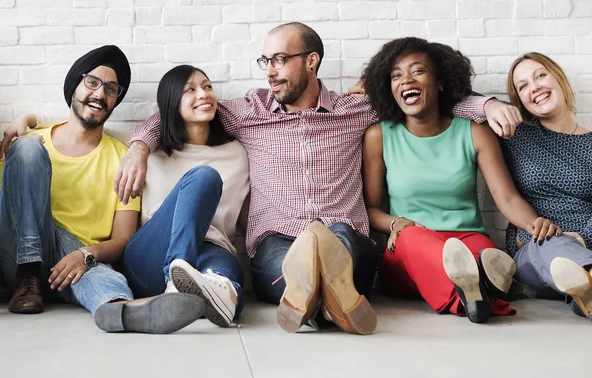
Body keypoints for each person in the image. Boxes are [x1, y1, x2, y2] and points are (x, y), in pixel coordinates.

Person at [114, 23, 517, 333]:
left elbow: (423, 100)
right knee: (300, 254)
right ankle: (332, 303)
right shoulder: (249, 112)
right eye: (266, 61)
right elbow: (177, 112)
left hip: (348, 239)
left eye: (280, 60)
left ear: (311, 61)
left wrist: (486, 103)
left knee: (338, 234)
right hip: (277, 242)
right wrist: (138, 147)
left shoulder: (355, 110)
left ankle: (310, 299)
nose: (271, 72)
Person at [0, 45, 204, 334]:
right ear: (74, 87)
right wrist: (28, 121)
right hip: (16, 258)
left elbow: (123, 239)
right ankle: (28, 274)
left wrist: (84, 255)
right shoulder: (30, 142)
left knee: (103, 276)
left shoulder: (123, 160)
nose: (99, 94)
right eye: (92, 83)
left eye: (111, 89)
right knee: (28, 150)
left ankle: (123, 311)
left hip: (72, 265)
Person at [361, 37, 558, 323]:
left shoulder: (474, 132)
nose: (406, 80)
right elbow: (370, 209)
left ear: (440, 80)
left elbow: (507, 198)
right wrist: (395, 224)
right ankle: (482, 293)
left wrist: (534, 224)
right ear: (389, 87)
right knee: (415, 236)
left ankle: (475, 295)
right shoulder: (379, 136)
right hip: (410, 248)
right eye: (396, 75)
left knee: (486, 253)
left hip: (467, 240)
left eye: (418, 70)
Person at [120, 64, 250, 327]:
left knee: (225, 279)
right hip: (152, 255)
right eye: (189, 90)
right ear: (170, 101)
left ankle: (216, 298)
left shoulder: (240, 153)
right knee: (204, 177)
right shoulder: (149, 153)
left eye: (208, 87)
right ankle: (174, 282)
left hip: (212, 249)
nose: (204, 94)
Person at [503, 52, 592, 318]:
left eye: (540, 75)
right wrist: (490, 105)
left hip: (588, 243)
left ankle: (583, 289)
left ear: (559, 78)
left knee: (567, 251)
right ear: (520, 102)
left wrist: (582, 238)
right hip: (537, 247)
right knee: (551, 244)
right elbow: (455, 98)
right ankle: (585, 279)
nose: (535, 87)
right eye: (523, 86)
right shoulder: (515, 136)